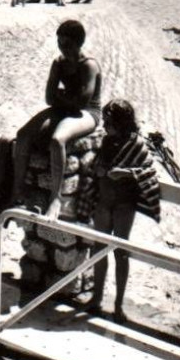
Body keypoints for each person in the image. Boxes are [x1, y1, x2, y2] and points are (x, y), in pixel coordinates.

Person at [11, 20, 103, 217]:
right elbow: (48, 98)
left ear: (79, 44)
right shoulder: (59, 63)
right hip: (64, 108)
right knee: (24, 134)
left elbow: (82, 102)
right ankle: (18, 190)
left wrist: (61, 97)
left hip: (89, 113)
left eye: (67, 44)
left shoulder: (89, 66)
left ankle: (55, 198)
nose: (63, 48)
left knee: (57, 140)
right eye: (60, 43)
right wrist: (66, 98)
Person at [85, 99, 163, 320]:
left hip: (123, 206)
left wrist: (126, 173)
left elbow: (149, 172)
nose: (105, 127)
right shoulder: (104, 141)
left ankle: (118, 305)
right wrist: (99, 170)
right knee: (98, 250)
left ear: (121, 122)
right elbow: (94, 164)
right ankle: (96, 297)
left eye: (109, 123)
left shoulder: (136, 144)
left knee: (121, 253)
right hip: (103, 202)